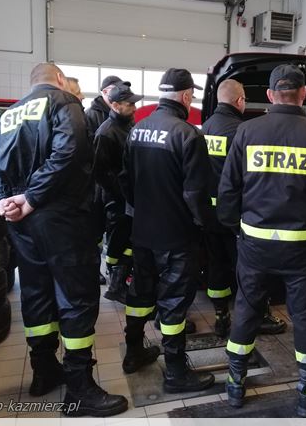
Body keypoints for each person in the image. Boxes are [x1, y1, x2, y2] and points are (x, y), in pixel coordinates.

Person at [0, 63, 128, 417]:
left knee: (36, 292)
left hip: (20, 221)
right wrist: (33, 198)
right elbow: (69, 153)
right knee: (77, 296)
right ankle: (80, 389)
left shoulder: (9, 115)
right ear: (60, 79)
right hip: (61, 217)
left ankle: (44, 370)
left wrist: (4, 201)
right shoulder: (63, 103)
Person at [217, 64, 306, 417]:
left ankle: (235, 384)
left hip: (255, 245)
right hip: (304, 248)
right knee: (304, 319)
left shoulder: (246, 132)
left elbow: (228, 190)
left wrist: (235, 228)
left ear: (271, 95)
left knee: (246, 310)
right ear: (303, 94)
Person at [120, 68, 215, 392]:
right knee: (174, 303)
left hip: (143, 231)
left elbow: (126, 181)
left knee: (140, 295)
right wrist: (205, 224)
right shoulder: (188, 135)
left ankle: (134, 351)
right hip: (176, 236)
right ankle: (175, 373)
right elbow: (195, 194)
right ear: (186, 96)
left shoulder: (137, 130)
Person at [201, 78, 287, 337]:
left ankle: (221, 316)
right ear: (240, 101)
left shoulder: (204, 128)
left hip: (208, 213)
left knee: (216, 265)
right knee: (247, 269)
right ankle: (255, 317)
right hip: (236, 214)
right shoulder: (241, 131)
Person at [94, 84, 143, 304]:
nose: (135, 107)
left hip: (129, 197)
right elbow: (100, 172)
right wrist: (121, 194)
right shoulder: (106, 132)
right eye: (130, 104)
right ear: (115, 105)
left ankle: (120, 281)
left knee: (129, 241)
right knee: (118, 243)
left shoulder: (129, 125)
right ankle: (115, 285)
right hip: (116, 200)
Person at [86, 75, 132, 285]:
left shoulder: (126, 121)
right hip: (105, 191)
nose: (133, 107)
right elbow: (98, 166)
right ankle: (98, 271)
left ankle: (118, 272)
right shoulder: (96, 120)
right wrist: (116, 190)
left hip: (120, 190)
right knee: (99, 233)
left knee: (119, 233)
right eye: (129, 103)